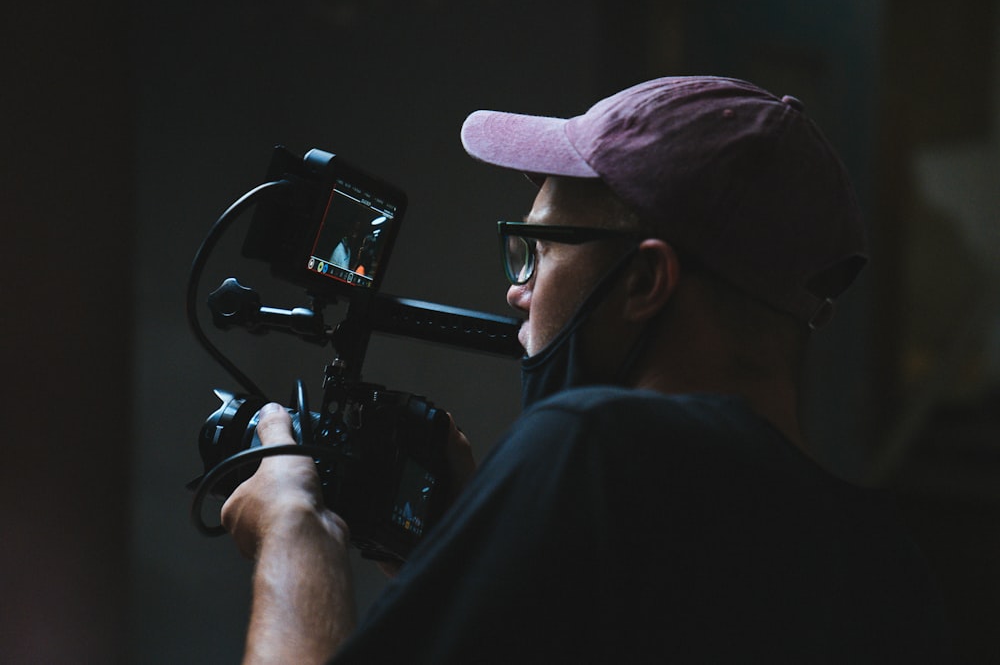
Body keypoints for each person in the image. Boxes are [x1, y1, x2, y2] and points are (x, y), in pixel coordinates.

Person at [220, 76, 951, 663]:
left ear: (643, 282)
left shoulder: (592, 444)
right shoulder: (888, 562)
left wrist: (293, 531)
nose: (517, 289)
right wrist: (484, 561)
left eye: (536, 250)